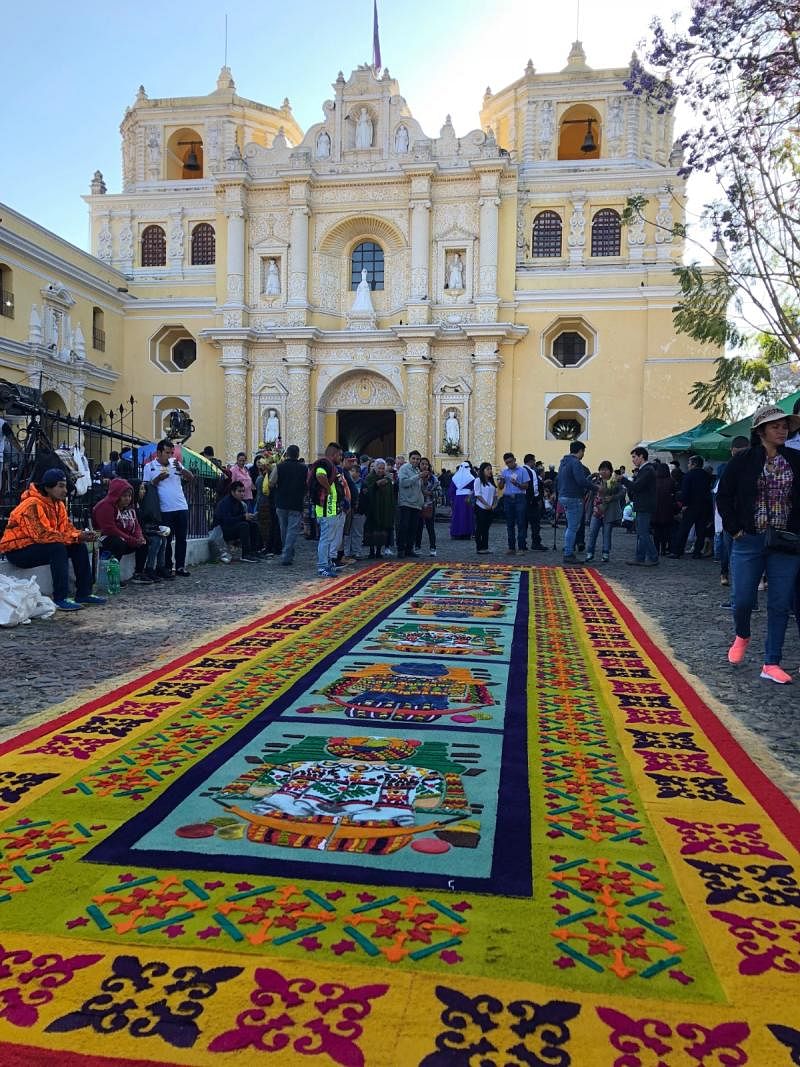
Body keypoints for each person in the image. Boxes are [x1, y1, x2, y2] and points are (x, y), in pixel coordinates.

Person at [717, 404, 800, 684]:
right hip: (749, 539)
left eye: (785, 425)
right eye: (776, 426)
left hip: (786, 543)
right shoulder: (742, 460)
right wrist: (734, 529)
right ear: (761, 430)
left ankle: (771, 662)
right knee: (742, 600)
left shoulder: (795, 460)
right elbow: (724, 496)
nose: (782, 430)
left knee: (779, 604)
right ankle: (742, 633)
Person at [0, 468, 105, 611]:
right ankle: (60, 598)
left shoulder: (59, 505)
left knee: (78, 546)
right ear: (48, 487)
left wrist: (80, 535)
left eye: (65, 486)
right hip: (18, 551)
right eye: (60, 486)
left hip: (39, 546)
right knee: (57, 548)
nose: (65, 490)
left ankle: (84, 593)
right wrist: (75, 536)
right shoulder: (31, 504)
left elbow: (66, 529)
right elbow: (42, 535)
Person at [143, 439, 194, 576]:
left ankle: (180, 566)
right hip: (165, 508)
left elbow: (191, 477)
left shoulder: (175, 463)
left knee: (182, 538)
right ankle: (166, 566)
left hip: (181, 505)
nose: (170, 455)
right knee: (167, 539)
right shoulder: (149, 467)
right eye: (167, 452)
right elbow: (146, 488)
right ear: (158, 453)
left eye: (172, 453)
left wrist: (181, 470)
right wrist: (158, 479)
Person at [91, 477, 150, 582]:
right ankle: (112, 577)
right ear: (117, 495)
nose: (128, 499)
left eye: (129, 496)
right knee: (118, 543)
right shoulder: (105, 506)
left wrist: (139, 537)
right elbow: (109, 529)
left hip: (126, 538)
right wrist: (130, 539)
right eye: (124, 496)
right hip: (106, 539)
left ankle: (138, 573)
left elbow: (136, 525)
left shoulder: (129, 507)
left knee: (145, 541)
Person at [557, 441, 597, 564]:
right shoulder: (576, 463)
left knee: (570, 526)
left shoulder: (563, 462)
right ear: (579, 450)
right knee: (573, 527)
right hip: (574, 497)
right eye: (583, 451)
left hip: (564, 495)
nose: (583, 454)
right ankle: (568, 553)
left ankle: (568, 549)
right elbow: (580, 481)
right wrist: (595, 487)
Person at [311, 442, 346, 578]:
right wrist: (330, 489)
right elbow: (320, 475)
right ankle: (322, 567)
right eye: (340, 455)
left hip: (331, 509)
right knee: (325, 539)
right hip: (326, 509)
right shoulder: (324, 463)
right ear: (334, 454)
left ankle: (328, 564)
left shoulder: (330, 465)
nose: (341, 458)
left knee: (329, 539)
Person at [270, 444, 307, 566]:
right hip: (296, 502)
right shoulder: (304, 468)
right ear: (298, 454)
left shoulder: (279, 467)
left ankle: (287, 553)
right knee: (292, 530)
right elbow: (307, 483)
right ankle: (287, 554)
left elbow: (271, 482)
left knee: (284, 529)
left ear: (287, 454)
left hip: (281, 501)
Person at [622, 447, 659, 566]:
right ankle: (640, 557)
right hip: (642, 505)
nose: (633, 460)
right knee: (640, 532)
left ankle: (653, 557)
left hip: (645, 505)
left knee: (643, 532)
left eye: (634, 457)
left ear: (641, 456)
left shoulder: (647, 470)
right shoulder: (644, 470)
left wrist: (624, 480)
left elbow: (637, 487)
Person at [670, 454, 713, 558]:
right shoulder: (707, 476)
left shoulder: (688, 476)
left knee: (684, 529)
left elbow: (686, 492)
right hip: (703, 507)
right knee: (700, 531)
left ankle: (678, 551)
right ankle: (697, 552)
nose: (688, 465)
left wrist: (684, 504)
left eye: (689, 463)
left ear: (694, 464)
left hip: (691, 506)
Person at [585, 461, 625, 563]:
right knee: (592, 532)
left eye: (606, 470)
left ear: (610, 471)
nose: (603, 471)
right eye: (602, 469)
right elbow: (586, 484)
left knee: (606, 533)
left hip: (609, 511)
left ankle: (605, 553)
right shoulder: (596, 481)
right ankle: (590, 552)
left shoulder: (614, 482)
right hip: (596, 511)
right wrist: (591, 476)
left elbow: (622, 492)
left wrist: (613, 497)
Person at [213, 483, 260, 562]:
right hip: (223, 530)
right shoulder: (226, 503)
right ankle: (246, 554)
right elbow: (226, 520)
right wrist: (243, 517)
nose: (242, 494)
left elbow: (240, 517)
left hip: (234, 526)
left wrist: (248, 517)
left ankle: (254, 551)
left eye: (243, 491)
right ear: (233, 492)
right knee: (244, 526)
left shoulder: (239, 503)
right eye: (239, 491)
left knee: (253, 525)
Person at [496, 453, 531, 554]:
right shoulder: (504, 471)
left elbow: (526, 486)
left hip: (520, 497)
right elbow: (501, 487)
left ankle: (521, 547)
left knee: (521, 523)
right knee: (509, 524)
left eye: (510, 462)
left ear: (515, 460)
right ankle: (511, 547)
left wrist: (517, 484)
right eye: (507, 463)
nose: (509, 464)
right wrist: (501, 481)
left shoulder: (522, 471)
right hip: (508, 498)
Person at [364, 459, 395, 558]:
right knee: (371, 530)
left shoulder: (388, 480)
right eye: (379, 468)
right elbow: (367, 491)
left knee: (382, 530)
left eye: (383, 468)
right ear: (375, 468)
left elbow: (390, 494)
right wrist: (376, 485)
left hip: (384, 509)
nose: (381, 470)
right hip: (372, 508)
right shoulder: (370, 477)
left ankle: (379, 550)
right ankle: (371, 550)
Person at [397, 450, 423, 557]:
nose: (416, 461)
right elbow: (403, 483)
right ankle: (401, 549)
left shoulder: (417, 470)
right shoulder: (404, 469)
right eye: (414, 458)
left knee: (413, 527)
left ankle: (409, 549)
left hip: (416, 503)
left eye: (418, 459)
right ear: (409, 459)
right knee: (404, 526)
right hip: (406, 502)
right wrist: (418, 476)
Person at [473, 462, 503, 553]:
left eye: (490, 469)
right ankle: (479, 547)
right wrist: (486, 504)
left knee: (486, 528)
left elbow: (495, 495)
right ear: (482, 471)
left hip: (490, 508)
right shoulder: (478, 480)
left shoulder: (491, 482)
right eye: (487, 469)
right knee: (480, 527)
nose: (490, 471)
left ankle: (485, 547)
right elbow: (478, 494)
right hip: (481, 507)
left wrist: (494, 505)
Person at [652, 462, 678, 557]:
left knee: (656, 532)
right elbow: (674, 495)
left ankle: (656, 549)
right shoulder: (671, 481)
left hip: (656, 510)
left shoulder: (654, 481)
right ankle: (663, 549)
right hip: (667, 510)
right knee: (665, 532)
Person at [522, 453, 547, 551]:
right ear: (531, 461)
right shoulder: (531, 472)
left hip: (522, 500)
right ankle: (536, 543)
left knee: (523, 523)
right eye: (534, 461)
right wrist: (537, 499)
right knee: (535, 524)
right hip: (532, 501)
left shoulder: (520, 470)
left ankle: (522, 543)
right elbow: (534, 487)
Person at [415, 457, 439, 556]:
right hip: (418, 504)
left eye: (426, 464)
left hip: (429, 504)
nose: (425, 466)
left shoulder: (434, 478)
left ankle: (433, 548)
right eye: (422, 464)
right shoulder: (416, 477)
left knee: (430, 527)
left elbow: (439, 491)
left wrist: (430, 493)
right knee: (418, 527)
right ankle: (417, 547)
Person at [449, 461, 475, 539]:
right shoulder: (471, 478)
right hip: (467, 498)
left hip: (457, 499)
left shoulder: (455, 478)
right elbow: (474, 488)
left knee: (457, 515)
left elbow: (451, 490)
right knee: (467, 516)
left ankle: (456, 533)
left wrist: (452, 499)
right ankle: (466, 533)